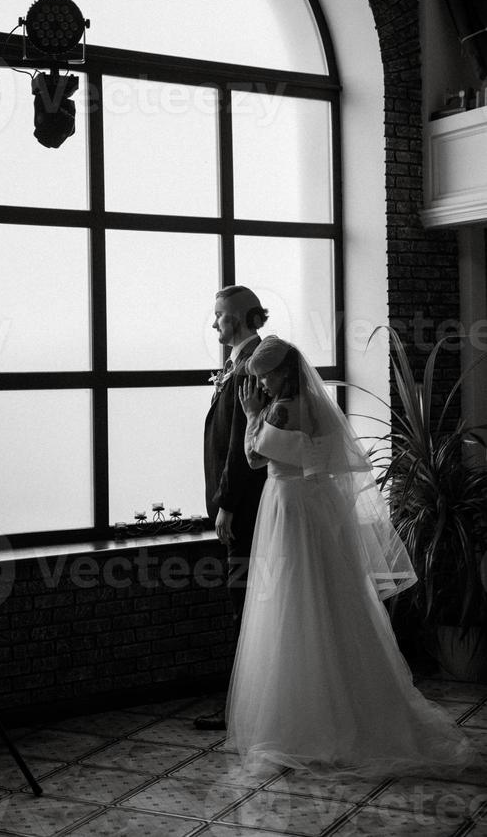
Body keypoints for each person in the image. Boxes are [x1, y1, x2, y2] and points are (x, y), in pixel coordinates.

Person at [226, 335, 475, 776]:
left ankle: (306, 725)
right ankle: (351, 705)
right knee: (330, 597)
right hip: (314, 510)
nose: (259, 385)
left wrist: (249, 416)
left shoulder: (281, 410)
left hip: (292, 510)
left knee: (294, 600)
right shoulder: (314, 407)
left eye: (263, 376)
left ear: (283, 371)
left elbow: (253, 458)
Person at [197, 285, 269, 731]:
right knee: (244, 599)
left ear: (241, 318)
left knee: (244, 599)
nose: (214, 324)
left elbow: (241, 450)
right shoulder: (241, 362)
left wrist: (226, 505)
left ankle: (244, 711)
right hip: (244, 505)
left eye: (220, 315)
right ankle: (249, 705)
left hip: (245, 508)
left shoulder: (251, 366)